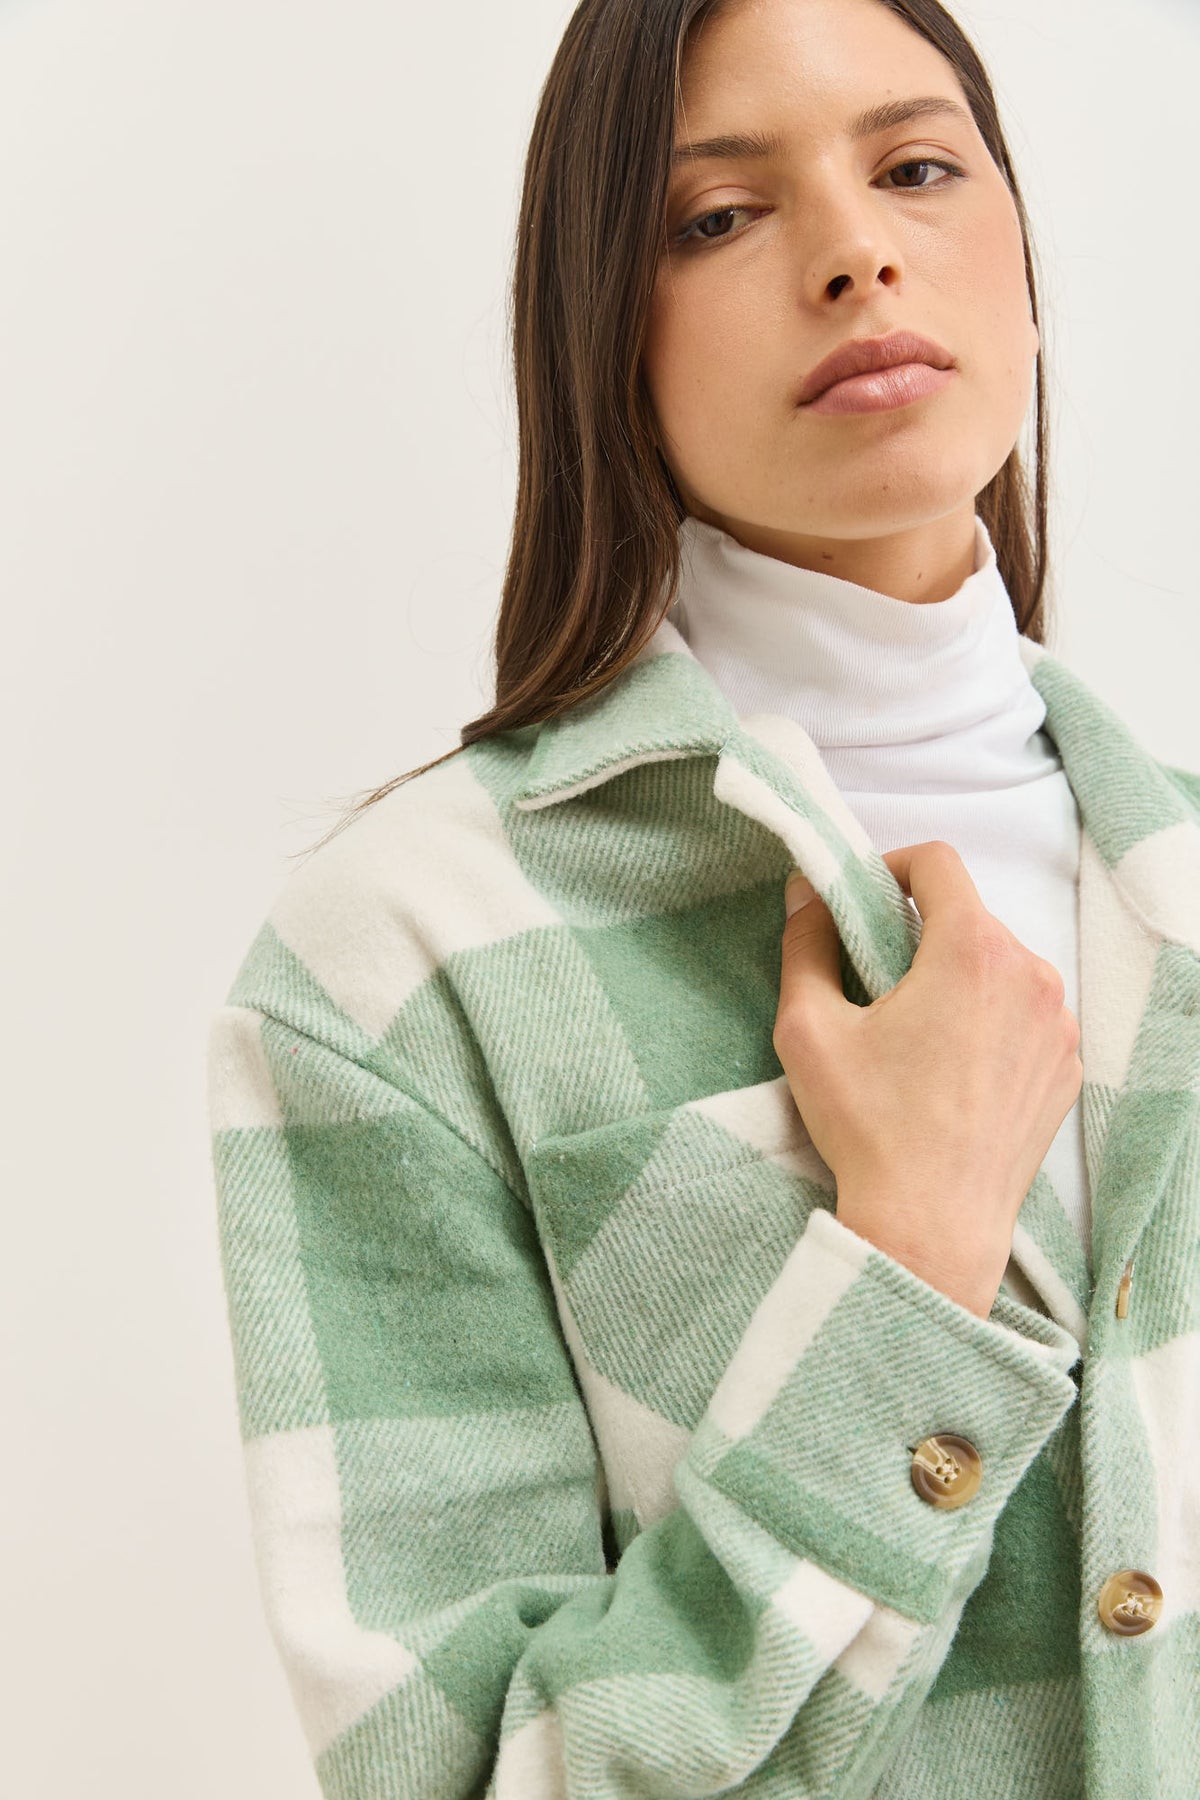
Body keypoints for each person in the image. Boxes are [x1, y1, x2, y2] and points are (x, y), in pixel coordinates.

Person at [205, 0, 1200, 1794]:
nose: (856, 252)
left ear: (1025, 264)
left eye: (917, 168)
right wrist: (909, 1263)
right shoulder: (398, 966)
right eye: (719, 215)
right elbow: (466, 1774)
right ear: (606, 337)